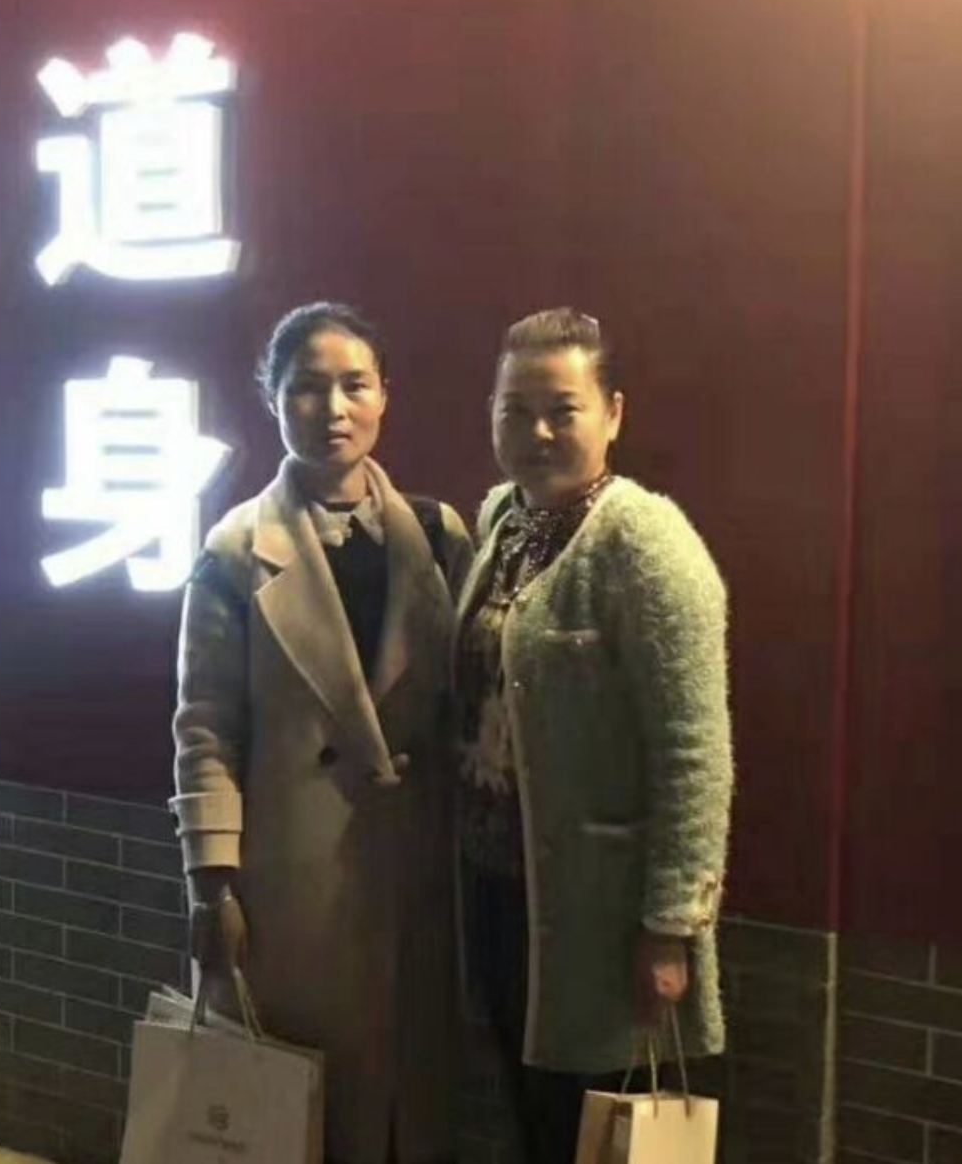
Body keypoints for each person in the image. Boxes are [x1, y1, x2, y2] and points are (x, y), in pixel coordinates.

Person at [172, 302, 474, 1164]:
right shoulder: (236, 550)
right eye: (307, 387)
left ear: (384, 396)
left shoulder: (438, 535)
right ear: (273, 399)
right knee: (298, 1116)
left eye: (355, 385)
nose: (333, 409)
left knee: (405, 1117)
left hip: (414, 877)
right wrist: (212, 885)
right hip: (290, 885)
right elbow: (205, 728)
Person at [453, 308, 734, 1164]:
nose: (536, 432)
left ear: (613, 413)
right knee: (530, 1111)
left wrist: (670, 927)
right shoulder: (502, 521)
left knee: (597, 1127)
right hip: (499, 888)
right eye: (515, 409)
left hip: (602, 917)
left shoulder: (644, 543)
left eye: (562, 410)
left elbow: (694, 752)